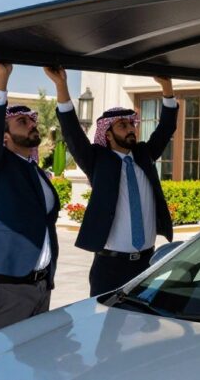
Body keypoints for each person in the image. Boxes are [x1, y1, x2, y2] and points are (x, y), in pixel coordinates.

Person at [46, 67, 178, 296]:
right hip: (110, 268)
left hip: (147, 264)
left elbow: (166, 128)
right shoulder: (97, 160)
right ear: (107, 133)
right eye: (123, 126)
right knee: (106, 329)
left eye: (132, 125)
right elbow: (72, 134)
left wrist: (167, 88)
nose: (130, 130)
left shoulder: (144, 155)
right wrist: (61, 85)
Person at [0, 62, 60, 338]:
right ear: (5, 137)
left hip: (40, 288)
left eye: (32, 120)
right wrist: (2, 78)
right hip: (5, 290)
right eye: (22, 121)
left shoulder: (35, 172)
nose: (32, 124)